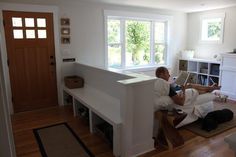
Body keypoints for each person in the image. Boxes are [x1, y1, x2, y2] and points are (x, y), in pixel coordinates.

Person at [155, 66, 221, 106]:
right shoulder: (166, 87)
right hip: (178, 91)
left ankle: (210, 88)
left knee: (189, 85)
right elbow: (181, 102)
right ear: (161, 74)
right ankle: (210, 88)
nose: (169, 75)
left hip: (175, 87)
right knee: (190, 86)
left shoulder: (157, 83)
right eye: (167, 73)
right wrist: (183, 91)